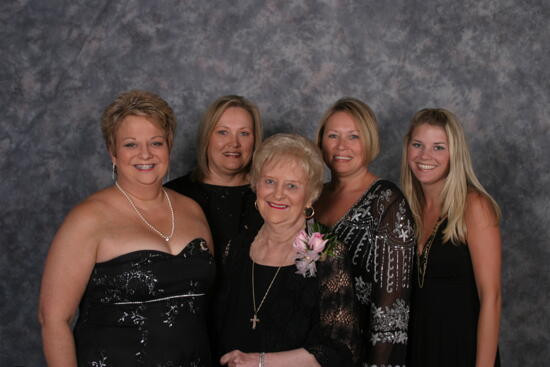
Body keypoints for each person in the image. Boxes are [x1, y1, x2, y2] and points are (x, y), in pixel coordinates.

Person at [39, 90, 215, 366]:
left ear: (169, 145)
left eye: (156, 143)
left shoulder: (192, 210)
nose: (145, 154)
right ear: (113, 152)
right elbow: (52, 319)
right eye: (131, 144)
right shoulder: (88, 218)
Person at [216, 134, 360, 367]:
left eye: (292, 185)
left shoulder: (327, 252)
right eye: (269, 181)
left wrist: (260, 362)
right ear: (256, 184)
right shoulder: (236, 248)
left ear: (310, 196)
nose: (278, 194)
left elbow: (341, 349)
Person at [314, 98, 415, 366]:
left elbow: (392, 313)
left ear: (369, 142)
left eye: (353, 136)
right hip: (309, 348)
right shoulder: (312, 196)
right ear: (320, 141)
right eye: (332, 135)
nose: (341, 146)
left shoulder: (387, 202)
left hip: (358, 354)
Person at [401, 108, 501, 366]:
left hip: (460, 350)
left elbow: (491, 297)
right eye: (418, 144)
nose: (425, 156)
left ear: (455, 153)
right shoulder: (406, 210)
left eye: (438, 147)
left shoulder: (474, 206)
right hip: (417, 349)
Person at [165, 95, 263, 264]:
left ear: (255, 141)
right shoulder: (173, 194)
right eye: (223, 132)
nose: (234, 143)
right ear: (206, 137)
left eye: (244, 133)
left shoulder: (270, 196)